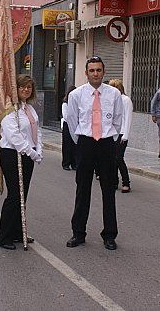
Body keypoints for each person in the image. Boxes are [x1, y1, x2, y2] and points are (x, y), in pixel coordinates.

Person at [66, 56, 123, 251]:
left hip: (106, 144)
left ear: (103, 72)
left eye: (98, 70)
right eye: (92, 70)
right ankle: (78, 233)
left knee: (108, 190)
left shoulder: (114, 94)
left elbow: (117, 120)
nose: (95, 74)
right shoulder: (77, 95)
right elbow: (72, 121)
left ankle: (109, 235)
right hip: (85, 143)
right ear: (86, 73)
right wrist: (82, 142)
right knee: (83, 189)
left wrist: (110, 139)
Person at [0, 75, 43, 250]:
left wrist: (39, 149)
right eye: (22, 87)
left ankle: (18, 231)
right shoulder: (10, 110)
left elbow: (36, 130)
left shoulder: (29, 108)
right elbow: (13, 136)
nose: (26, 90)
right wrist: (30, 151)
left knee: (23, 196)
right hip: (12, 154)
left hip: (27, 156)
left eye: (29, 87)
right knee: (15, 194)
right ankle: (4, 236)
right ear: (15, 89)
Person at [108, 79, 134, 193]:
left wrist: (125, 136)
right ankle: (114, 181)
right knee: (111, 159)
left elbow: (127, 118)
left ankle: (126, 182)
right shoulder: (111, 100)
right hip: (112, 133)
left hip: (122, 133)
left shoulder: (126, 100)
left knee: (119, 158)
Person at [61, 86, 77, 171]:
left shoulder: (77, 104)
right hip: (67, 125)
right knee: (67, 145)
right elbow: (66, 116)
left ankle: (74, 163)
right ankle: (66, 163)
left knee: (74, 145)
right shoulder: (65, 104)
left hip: (75, 125)